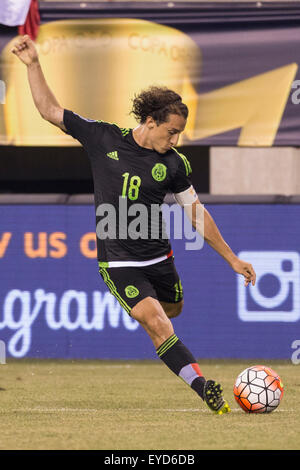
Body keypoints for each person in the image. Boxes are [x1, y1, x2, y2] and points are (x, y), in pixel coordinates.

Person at [12, 35, 256, 415]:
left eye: (179, 133)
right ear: (150, 121)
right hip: (120, 261)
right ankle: (205, 387)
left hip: (159, 258)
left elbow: (196, 212)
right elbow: (50, 110)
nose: (176, 139)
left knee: (172, 310)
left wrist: (232, 259)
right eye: (171, 131)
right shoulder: (102, 137)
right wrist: (32, 64)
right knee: (158, 323)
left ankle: (168, 335)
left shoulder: (174, 164)